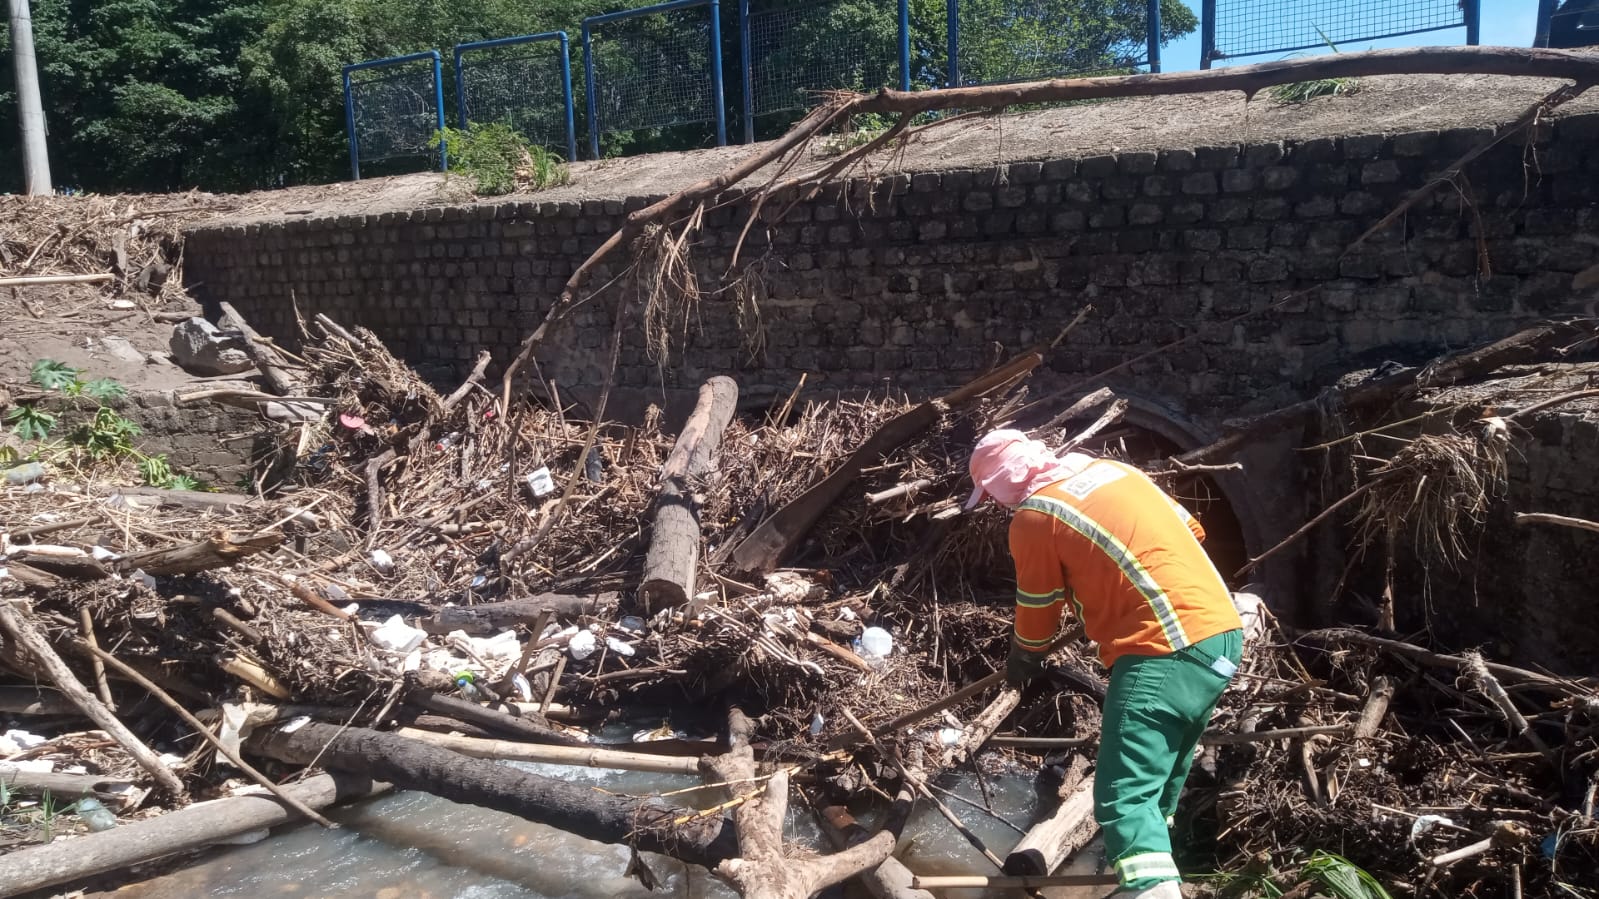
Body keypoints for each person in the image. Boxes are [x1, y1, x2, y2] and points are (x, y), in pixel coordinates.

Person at [965, 429, 1244, 899]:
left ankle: (1151, 891)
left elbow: (1037, 608)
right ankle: (1148, 879)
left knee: (1122, 795)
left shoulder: (1035, 516)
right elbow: (1190, 530)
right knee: (1156, 785)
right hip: (1220, 634)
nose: (995, 505)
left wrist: (1024, 656)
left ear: (1004, 484)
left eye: (992, 494)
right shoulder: (1113, 470)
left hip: (1164, 645)